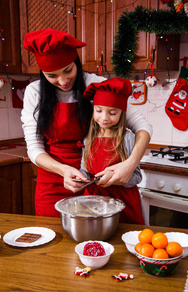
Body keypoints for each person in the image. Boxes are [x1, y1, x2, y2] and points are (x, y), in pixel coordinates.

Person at [21, 28, 152, 217]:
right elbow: (34, 149)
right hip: (53, 180)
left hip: (96, 183)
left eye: (68, 70)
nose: (63, 80)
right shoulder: (35, 92)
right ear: (43, 73)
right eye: (52, 76)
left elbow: (143, 126)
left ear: (76, 62)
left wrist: (131, 164)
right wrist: (63, 170)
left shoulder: (96, 84)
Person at [80, 78, 145, 224]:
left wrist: (116, 178)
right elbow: (84, 169)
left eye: (112, 113)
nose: (104, 117)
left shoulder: (127, 138)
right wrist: (81, 178)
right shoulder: (88, 139)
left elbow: (137, 176)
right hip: (94, 202)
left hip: (124, 203)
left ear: (122, 113)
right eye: (99, 111)